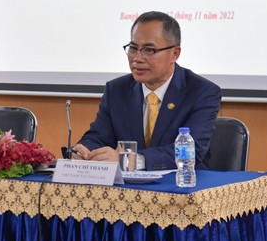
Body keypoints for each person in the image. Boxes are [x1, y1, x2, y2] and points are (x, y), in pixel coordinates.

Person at [72, 11, 221, 170]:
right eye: (133, 48)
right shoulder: (116, 90)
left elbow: (191, 151)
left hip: (182, 186)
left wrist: (132, 161)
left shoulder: (202, 92)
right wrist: (84, 150)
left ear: (174, 54)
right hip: (126, 190)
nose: (137, 58)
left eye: (149, 50)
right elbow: (98, 136)